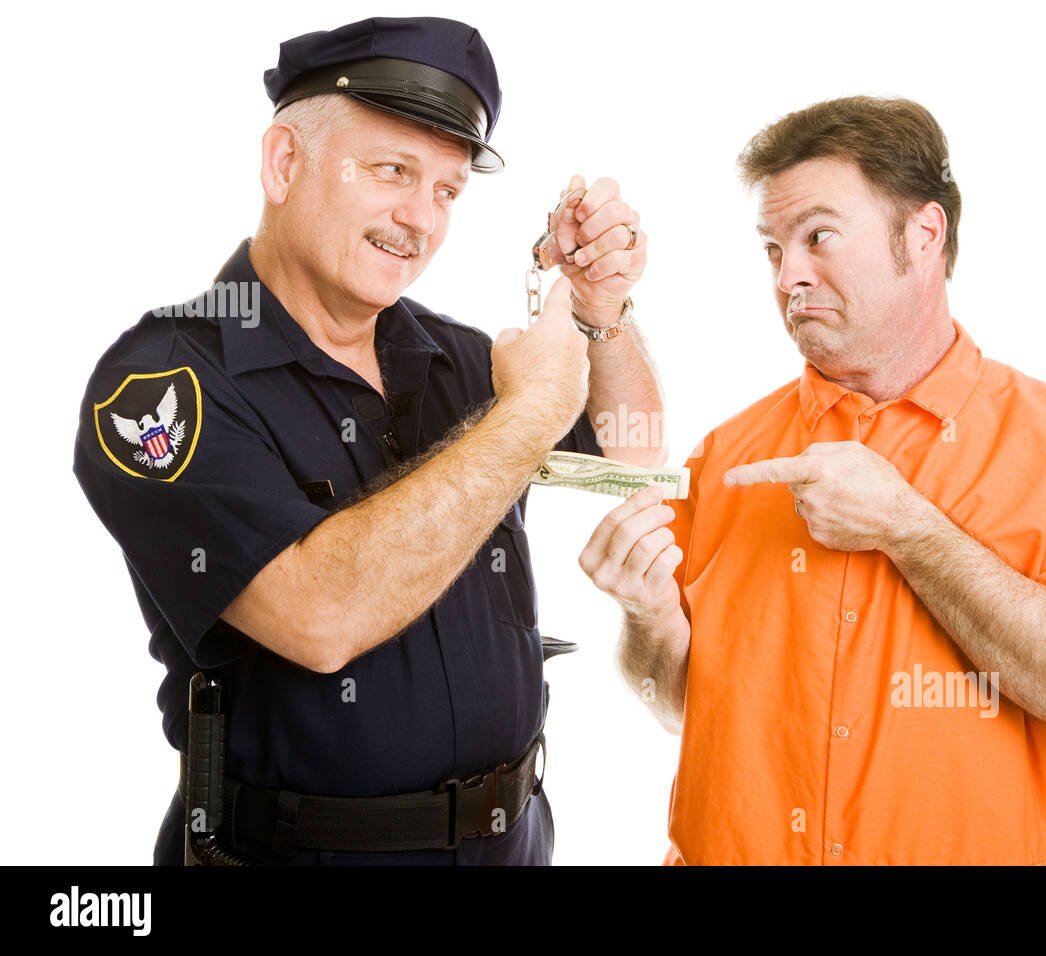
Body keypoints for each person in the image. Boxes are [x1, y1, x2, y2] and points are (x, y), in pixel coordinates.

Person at [72, 15, 663, 866]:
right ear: (284, 163)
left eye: (448, 192)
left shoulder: (458, 357)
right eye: (393, 170)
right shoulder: (167, 382)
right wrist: (526, 414)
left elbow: (631, 457)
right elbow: (320, 617)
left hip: (517, 839)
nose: (419, 219)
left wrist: (601, 311)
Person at [579, 95, 1046, 865]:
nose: (790, 274)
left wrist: (908, 526)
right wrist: (647, 618)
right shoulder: (728, 454)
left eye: (818, 236)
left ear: (924, 235)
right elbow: (679, 706)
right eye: (771, 248)